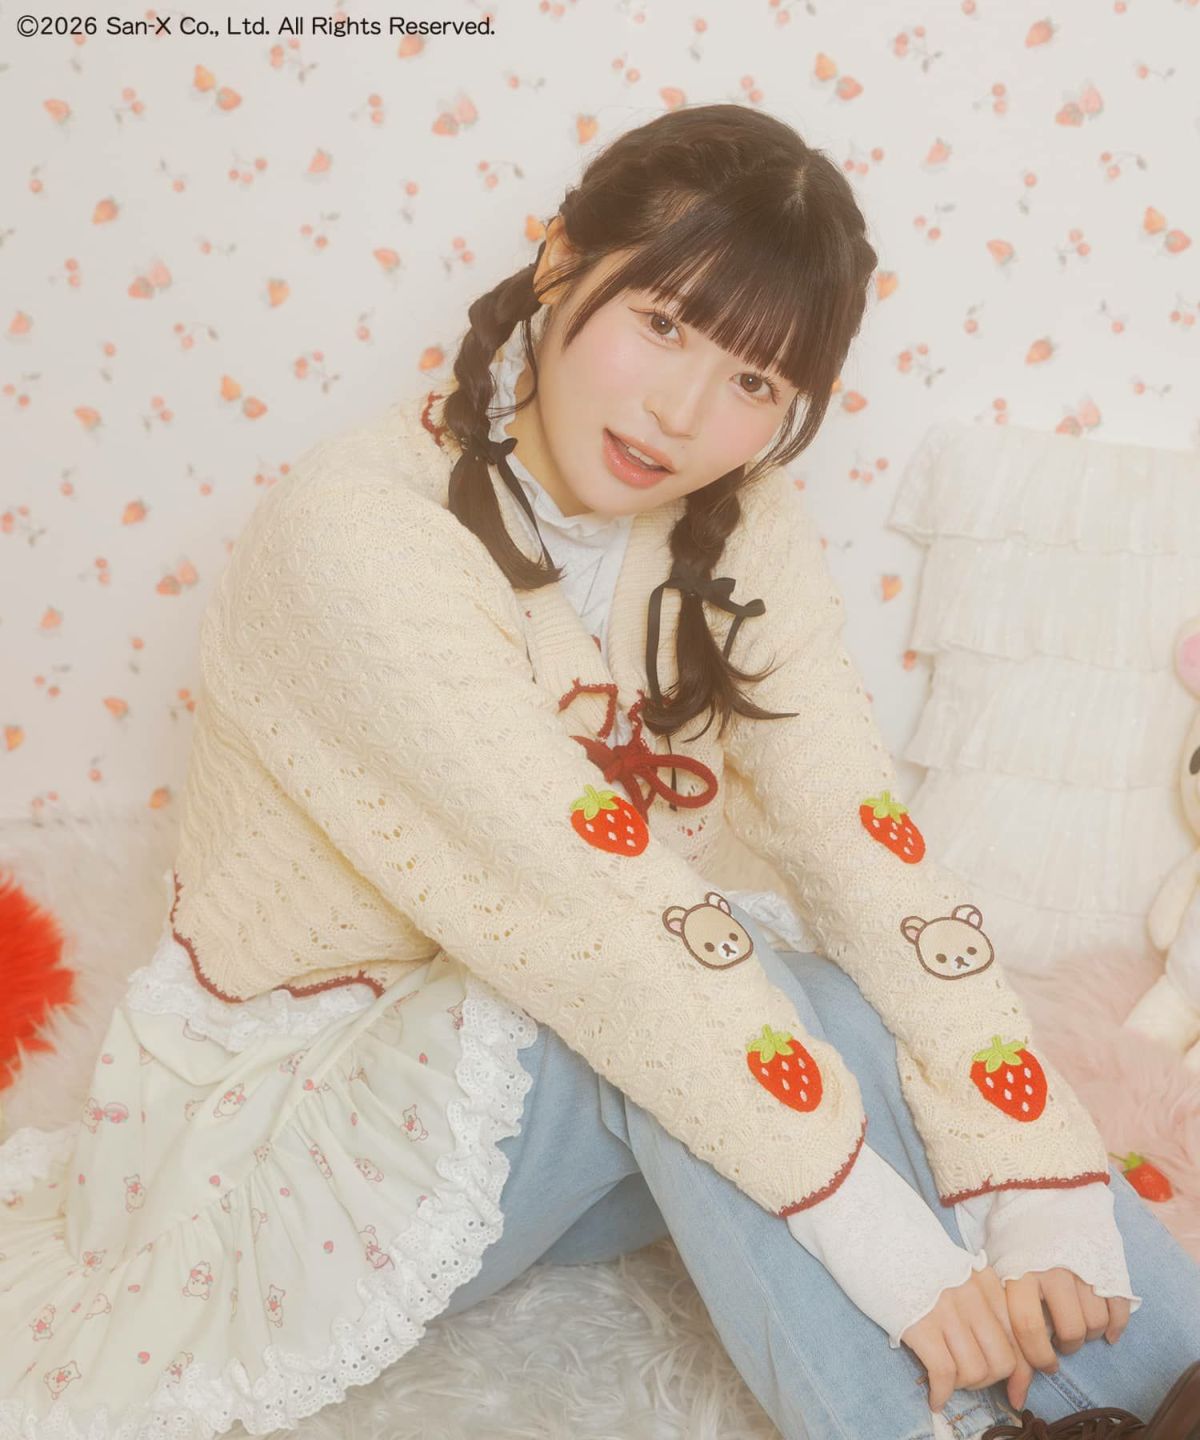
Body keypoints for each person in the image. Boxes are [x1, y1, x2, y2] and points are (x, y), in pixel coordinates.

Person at [2, 102, 1198, 1440]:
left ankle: (1176, 1376)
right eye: (664, 324)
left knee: (813, 991)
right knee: (659, 1018)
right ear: (563, 258)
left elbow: (858, 836)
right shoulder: (360, 534)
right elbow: (595, 926)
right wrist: (901, 1258)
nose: (684, 413)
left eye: (755, 384)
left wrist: (1038, 1183)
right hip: (301, 1134)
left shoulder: (737, 522)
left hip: (542, 1101)